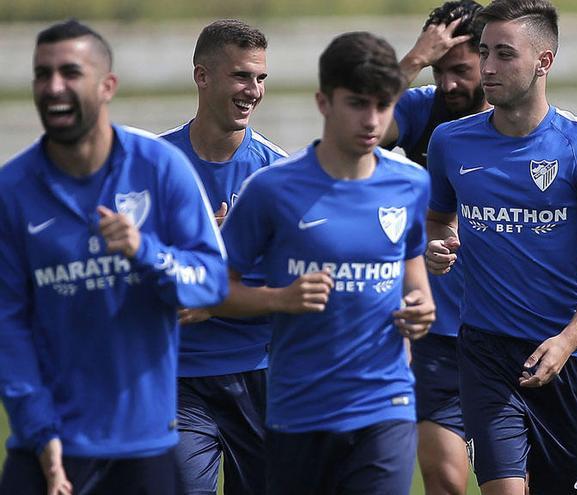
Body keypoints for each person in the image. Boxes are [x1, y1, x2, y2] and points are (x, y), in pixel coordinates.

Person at [0, 19, 228, 495]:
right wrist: (40, 430)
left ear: (107, 86)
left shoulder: (160, 167)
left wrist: (144, 250)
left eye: (69, 72)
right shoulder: (12, 190)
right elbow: (9, 326)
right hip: (48, 447)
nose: (54, 86)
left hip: (142, 448)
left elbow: (210, 281)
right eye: (43, 75)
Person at [209, 31, 435, 494]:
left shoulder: (410, 183)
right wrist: (280, 299)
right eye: (357, 103)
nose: (372, 120)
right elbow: (216, 288)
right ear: (323, 102)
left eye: (383, 104)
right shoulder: (273, 189)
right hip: (299, 412)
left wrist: (421, 303)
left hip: (385, 405)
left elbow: (410, 256)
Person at [426, 1, 577, 493]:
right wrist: (437, 245)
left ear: (544, 61)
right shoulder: (450, 142)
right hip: (483, 351)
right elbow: (437, 219)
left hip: (563, 356)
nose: (488, 67)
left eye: (504, 54)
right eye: (483, 53)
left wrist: (568, 340)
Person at [160, 19, 286, 495]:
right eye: (240, 76)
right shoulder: (152, 165)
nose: (252, 90)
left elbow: (300, 287)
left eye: (260, 78)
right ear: (202, 76)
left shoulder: (278, 175)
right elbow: (123, 268)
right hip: (177, 376)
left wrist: (225, 269)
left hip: (262, 375)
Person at [380, 2, 488, 493]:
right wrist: (413, 61)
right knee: (444, 482)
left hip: (510, 330)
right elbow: (361, 132)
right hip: (438, 337)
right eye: (439, 70)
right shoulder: (424, 109)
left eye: (460, 71)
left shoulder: (536, 131)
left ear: (491, 60)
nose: (448, 84)